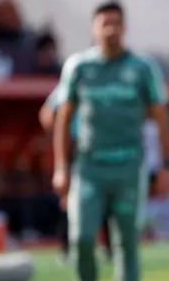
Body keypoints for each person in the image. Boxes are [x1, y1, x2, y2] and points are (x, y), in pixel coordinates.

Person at [51, 1, 169, 281]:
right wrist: (61, 167)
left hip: (129, 167)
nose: (110, 29)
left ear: (125, 28)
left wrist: (165, 166)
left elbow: (161, 117)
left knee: (126, 245)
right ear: (93, 28)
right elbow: (62, 116)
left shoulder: (142, 68)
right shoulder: (79, 66)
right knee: (81, 239)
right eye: (104, 23)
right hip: (89, 167)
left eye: (116, 23)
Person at [39, 86, 114, 263]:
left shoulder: (101, 85)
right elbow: (46, 115)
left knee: (106, 195)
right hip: (74, 147)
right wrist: (60, 128)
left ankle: (109, 247)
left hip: (99, 147)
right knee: (69, 198)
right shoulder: (67, 86)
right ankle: (67, 248)